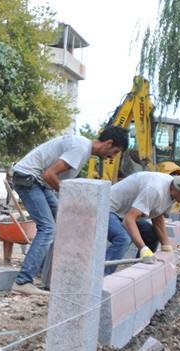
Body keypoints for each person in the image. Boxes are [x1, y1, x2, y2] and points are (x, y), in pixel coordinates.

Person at [9, 126, 129, 295]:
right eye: (114, 152)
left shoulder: (82, 148)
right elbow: (49, 175)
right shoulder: (80, 149)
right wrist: (70, 198)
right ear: (108, 143)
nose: (111, 157)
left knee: (64, 222)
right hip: (29, 179)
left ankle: (46, 273)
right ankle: (23, 281)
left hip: (36, 181)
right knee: (48, 228)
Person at [106, 171, 180, 274]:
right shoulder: (155, 189)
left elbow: (157, 217)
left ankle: (140, 270)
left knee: (152, 235)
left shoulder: (173, 191)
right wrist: (143, 248)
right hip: (105, 208)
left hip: (124, 213)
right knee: (123, 239)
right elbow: (129, 220)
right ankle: (100, 278)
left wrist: (166, 245)